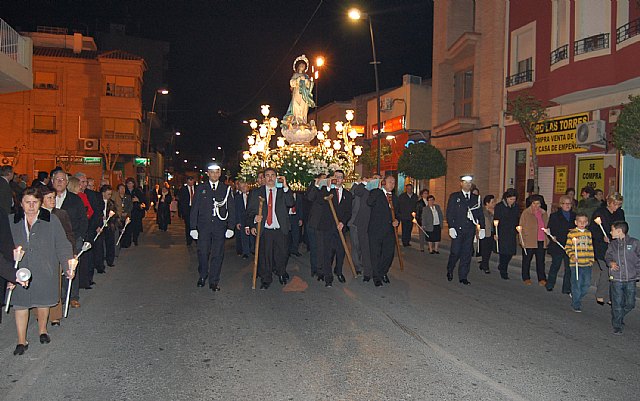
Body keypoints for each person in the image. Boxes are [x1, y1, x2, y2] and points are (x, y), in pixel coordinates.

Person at [8, 187, 73, 355]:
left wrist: (68, 267)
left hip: (45, 268)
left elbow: (62, 245)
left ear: (40, 203)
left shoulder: (51, 220)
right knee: (20, 305)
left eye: (34, 202)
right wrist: (8, 273)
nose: (31, 206)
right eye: (27, 202)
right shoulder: (11, 221)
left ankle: (42, 330)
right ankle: (21, 340)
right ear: (21, 203)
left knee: (43, 301)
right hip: (20, 270)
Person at [246, 168, 294, 289]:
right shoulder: (257, 193)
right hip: (265, 229)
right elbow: (250, 211)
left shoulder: (283, 191)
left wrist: (285, 186)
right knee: (265, 255)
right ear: (263, 178)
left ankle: (281, 273)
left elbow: (290, 203)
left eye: (273, 175)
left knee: (282, 254)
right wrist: (253, 221)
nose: (270, 178)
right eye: (267, 175)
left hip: (280, 229)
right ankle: (266, 279)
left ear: (276, 177)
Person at [190, 164, 235, 291]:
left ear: (220, 174)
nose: (214, 174)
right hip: (204, 227)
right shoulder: (201, 188)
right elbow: (195, 209)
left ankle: (214, 281)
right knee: (203, 253)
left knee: (217, 254)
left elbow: (231, 209)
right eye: (212, 172)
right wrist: (193, 227)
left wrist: (231, 227)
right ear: (207, 173)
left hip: (219, 227)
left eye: (217, 172)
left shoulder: (226, 189)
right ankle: (203, 275)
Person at [41, 187, 75, 326]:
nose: (52, 200)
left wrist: (72, 251)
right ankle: (40, 312)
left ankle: (55, 315)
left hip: (56, 254)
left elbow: (68, 233)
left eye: (53, 197)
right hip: (42, 254)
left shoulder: (60, 214)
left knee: (56, 284)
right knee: (41, 285)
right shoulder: (36, 215)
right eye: (48, 198)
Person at [52, 170, 87, 307]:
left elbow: (83, 219)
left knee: (71, 267)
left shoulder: (75, 199)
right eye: (57, 179)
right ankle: (56, 296)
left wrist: (80, 237)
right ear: (52, 181)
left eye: (62, 180)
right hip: (52, 238)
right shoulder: (47, 198)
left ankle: (73, 296)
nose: (59, 182)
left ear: (67, 182)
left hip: (71, 238)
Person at [313, 170, 352, 287]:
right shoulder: (326, 191)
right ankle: (328, 277)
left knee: (341, 251)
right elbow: (319, 201)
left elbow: (348, 211)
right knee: (327, 252)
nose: (338, 179)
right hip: (327, 227)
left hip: (340, 227)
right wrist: (328, 188)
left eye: (340, 177)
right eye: (336, 177)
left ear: (343, 180)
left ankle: (338, 271)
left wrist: (343, 222)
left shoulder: (348, 195)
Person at [445, 175, 484, 285]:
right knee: (455, 252)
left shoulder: (475, 198)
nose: (468, 184)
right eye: (465, 182)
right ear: (461, 184)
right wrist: (451, 227)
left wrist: (482, 228)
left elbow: (480, 214)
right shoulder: (454, 196)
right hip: (458, 229)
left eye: (469, 183)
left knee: (467, 253)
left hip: (469, 230)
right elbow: (450, 213)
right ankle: (450, 269)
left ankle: (463, 276)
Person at [590, 192, 625, 306]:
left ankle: (611, 296)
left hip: (615, 246)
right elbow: (593, 230)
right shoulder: (599, 213)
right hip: (602, 247)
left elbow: (622, 227)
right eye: (615, 204)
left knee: (614, 271)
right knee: (606, 270)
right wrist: (601, 237)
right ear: (609, 202)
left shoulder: (620, 213)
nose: (617, 207)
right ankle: (600, 294)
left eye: (619, 205)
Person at [606, 221, 640, 335]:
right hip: (616, 278)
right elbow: (607, 256)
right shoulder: (612, 245)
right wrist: (611, 263)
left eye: (612, 230)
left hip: (630, 278)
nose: (610, 232)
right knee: (617, 302)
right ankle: (617, 325)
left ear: (619, 231)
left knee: (630, 303)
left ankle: (618, 316)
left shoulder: (634, 243)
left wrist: (637, 273)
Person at [367, 175, 399, 287]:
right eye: (390, 182)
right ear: (384, 182)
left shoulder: (394, 198)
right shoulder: (376, 193)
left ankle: (383, 272)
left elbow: (398, 213)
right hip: (376, 230)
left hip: (389, 231)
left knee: (388, 254)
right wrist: (378, 188)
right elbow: (369, 202)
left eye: (394, 182)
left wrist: (397, 221)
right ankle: (376, 277)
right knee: (375, 254)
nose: (392, 184)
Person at [545, 195, 575, 293]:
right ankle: (550, 284)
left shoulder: (574, 216)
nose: (568, 206)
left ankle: (566, 288)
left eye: (569, 204)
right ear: (561, 204)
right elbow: (550, 228)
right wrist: (552, 236)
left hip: (570, 245)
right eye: (565, 203)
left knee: (569, 267)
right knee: (555, 265)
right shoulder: (555, 216)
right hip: (558, 244)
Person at [348, 176, 377, 279]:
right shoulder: (356, 187)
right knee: (356, 246)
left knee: (364, 246)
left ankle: (366, 266)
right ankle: (357, 267)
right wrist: (362, 183)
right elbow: (352, 195)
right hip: (354, 221)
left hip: (367, 223)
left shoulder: (372, 191)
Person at [565, 213, 595, 312]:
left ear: (587, 223)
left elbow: (590, 247)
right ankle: (576, 303)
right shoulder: (572, 234)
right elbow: (567, 247)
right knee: (576, 284)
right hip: (576, 264)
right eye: (580, 222)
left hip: (587, 263)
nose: (582, 223)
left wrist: (591, 259)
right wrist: (572, 256)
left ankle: (575, 295)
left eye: (584, 222)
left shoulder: (588, 233)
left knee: (586, 284)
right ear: (576, 222)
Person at [519, 194, 549, 286]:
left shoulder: (544, 213)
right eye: (534, 203)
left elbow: (547, 226)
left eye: (538, 203)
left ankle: (542, 278)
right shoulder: (526, 213)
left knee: (540, 261)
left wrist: (547, 239)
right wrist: (521, 240)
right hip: (529, 240)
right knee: (527, 260)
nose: (536, 206)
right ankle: (526, 277)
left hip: (541, 239)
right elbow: (521, 227)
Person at [493, 188, 520, 280]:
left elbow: (517, 219)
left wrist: (518, 229)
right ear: (506, 198)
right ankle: (503, 270)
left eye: (514, 199)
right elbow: (495, 220)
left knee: (511, 252)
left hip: (512, 232)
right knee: (503, 252)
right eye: (510, 199)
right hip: (502, 232)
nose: (512, 201)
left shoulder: (516, 207)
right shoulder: (499, 207)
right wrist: (495, 232)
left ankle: (502, 265)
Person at [305, 173, 327, 278]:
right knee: (314, 248)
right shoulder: (314, 188)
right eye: (322, 179)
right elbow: (310, 197)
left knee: (323, 248)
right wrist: (317, 185)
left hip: (324, 224)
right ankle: (314, 268)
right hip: (313, 223)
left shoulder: (328, 190)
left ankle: (321, 269)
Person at [283, 55, 315, 126]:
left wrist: (306, 81)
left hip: (304, 93)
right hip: (297, 92)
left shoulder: (306, 76)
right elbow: (291, 83)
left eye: (303, 65)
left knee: (304, 105)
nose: (302, 66)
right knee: (296, 104)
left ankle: (303, 120)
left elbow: (310, 85)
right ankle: (296, 120)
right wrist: (298, 79)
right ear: (298, 66)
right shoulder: (296, 75)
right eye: (301, 65)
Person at [92, 185, 117, 276]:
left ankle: (110, 260)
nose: (109, 196)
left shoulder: (111, 203)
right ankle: (100, 265)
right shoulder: (97, 202)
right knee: (99, 246)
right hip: (100, 226)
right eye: (108, 194)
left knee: (110, 243)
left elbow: (115, 213)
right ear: (103, 193)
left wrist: (110, 218)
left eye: (110, 194)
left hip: (108, 226)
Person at [125, 178, 146, 246]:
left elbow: (143, 200)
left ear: (133, 184)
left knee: (136, 226)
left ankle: (135, 239)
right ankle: (128, 240)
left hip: (136, 211)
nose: (129, 185)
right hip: (128, 211)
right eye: (128, 183)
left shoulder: (137, 191)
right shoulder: (125, 191)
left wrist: (138, 200)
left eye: (130, 183)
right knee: (128, 226)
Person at [234, 181, 253, 259]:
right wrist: (237, 222)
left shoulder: (253, 195)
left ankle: (253, 250)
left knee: (252, 235)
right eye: (242, 186)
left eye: (245, 185)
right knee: (243, 236)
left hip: (251, 218)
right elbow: (236, 210)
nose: (244, 187)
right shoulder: (237, 197)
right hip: (242, 219)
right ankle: (246, 252)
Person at [478, 195, 496, 274]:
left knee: (489, 250)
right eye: (492, 202)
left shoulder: (494, 211)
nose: (493, 204)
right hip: (484, 232)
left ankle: (483, 263)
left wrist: (493, 213)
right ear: (487, 203)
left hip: (492, 232)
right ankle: (485, 266)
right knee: (485, 250)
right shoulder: (482, 211)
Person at [112, 183, 133, 251]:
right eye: (121, 188)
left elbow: (130, 205)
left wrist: (126, 212)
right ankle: (120, 243)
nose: (122, 190)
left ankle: (126, 243)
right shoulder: (116, 197)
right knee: (120, 230)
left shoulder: (128, 197)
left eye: (123, 188)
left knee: (127, 230)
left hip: (126, 215)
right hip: (119, 216)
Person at [178, 176, 197, 246]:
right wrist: (181, 213)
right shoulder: (183, 189)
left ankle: (196, 239)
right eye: (189, 182)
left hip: (195, 209)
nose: (191, 183)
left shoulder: (197, 188)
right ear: (187, 181)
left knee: (196, 224)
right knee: (188, 225)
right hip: (187, 209)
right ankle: (189, 240)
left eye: (192, 182)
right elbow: (181, 202)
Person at [288, 191, 304, 257]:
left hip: (295, 217)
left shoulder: (298, 196)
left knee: (296, 234)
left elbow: (300, 207)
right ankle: (287, 250)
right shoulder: (286, 194)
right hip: (288, 217)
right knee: (288, 235)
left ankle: (295, 250)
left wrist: (300, 218)